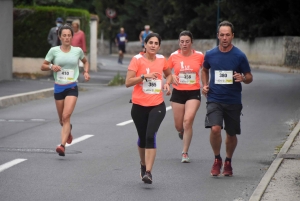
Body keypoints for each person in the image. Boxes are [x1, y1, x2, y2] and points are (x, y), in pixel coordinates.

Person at [201, 20, 253, 176]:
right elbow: (204, 70)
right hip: (214, 98)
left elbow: (249, 77)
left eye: (227, 35)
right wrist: (205, 85)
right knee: (215, 128)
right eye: (222, 35)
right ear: (218, 36)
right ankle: (217, 159)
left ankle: (228, 160)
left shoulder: (239, 56)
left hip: (233, 100)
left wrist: (242, 78)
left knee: (231, 134)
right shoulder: (210, 54)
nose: (224, 38)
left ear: (232, 36)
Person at [125, 33, 172, 184]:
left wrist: (167, 83)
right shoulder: (137, 60)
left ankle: (149, 173)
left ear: (159, 46)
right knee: (143, 138)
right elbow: (128, 82)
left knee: (151, 136)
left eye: (156, 43)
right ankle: (143, 164)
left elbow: (169, 75)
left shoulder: (161, 59)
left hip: (157, 105)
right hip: (138, 106)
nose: (153, 45)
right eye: (150, 42)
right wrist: (144, 77)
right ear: (144, 45)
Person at [41, 24, 90, 156]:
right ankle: (68, 130)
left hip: (71, 86)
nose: (67, 38)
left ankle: (62, 146)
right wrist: (52, 66)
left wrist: (85, 72)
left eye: (69, 35)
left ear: (72, 37)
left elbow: (85, 61)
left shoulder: (77, 51)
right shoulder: (54, 51)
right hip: (58, 87)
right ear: (60, 37)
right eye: (64, 35)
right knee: (61, 120)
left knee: (66, 116)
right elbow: (43, 66)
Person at [167, 31, 204, 163]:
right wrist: (171, 77)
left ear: (191, 42)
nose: (184, 44)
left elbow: (206, 70)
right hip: (178, 92)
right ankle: (181, 132)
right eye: (182, 41)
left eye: (187, 41)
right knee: (179, 126)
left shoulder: (199, 56)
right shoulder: (173, 56)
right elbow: (166, 71)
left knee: (187, 121)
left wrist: (205, 85)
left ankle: (185, 152)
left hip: (193, 92)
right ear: (179, 42)